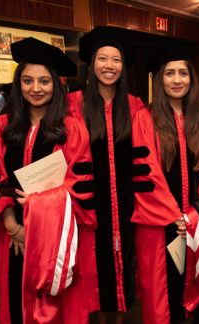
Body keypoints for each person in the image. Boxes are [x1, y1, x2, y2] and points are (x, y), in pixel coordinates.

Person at [0, 37, 99, 324]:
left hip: (57, 235)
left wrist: (39, 214)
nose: (35, 89)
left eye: (44, 81)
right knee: (18, 297)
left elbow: (79, 185)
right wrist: (13, 226)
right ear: (18, 84)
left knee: (59, 300)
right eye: (27, 81)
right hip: (15, 233)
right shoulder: (1, 127)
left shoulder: (72, 130)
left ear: (56, 86)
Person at [132, 40, 199, 324]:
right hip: (158, 225)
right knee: (161, 297)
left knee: (197, 286)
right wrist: (176, 217)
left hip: (196, 222)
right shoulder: (145, 119)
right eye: (169, 73)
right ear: (159, 80)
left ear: (191, 79)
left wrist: (197, 213)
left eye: (183, 73)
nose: (177, 80)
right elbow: (147, 173)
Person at [66, 26, 144, 324]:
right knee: (93, 267)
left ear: (123, 66)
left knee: (123, 264)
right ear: (91, 63)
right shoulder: (73, 105)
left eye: (116, 60)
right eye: (102, 58)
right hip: (87, 207)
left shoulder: (135, 106)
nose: (109, 66)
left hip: (125, 206)